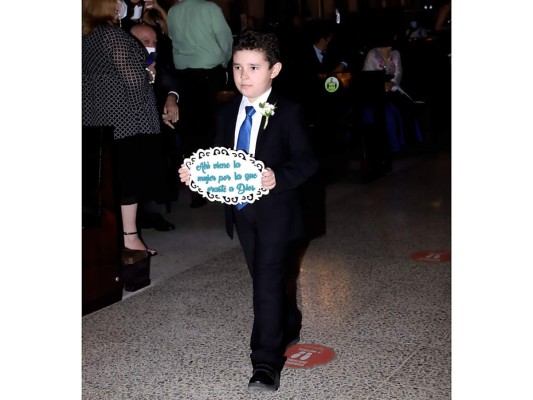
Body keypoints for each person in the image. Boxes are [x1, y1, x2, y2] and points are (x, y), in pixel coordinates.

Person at [179, 30, 318, 392]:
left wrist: (278, 177)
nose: (244, 76)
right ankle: (288, 320)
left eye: (254, 67)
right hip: (242, 212)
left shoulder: (288, 112)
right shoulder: (227, 113)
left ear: (274, 70)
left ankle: (266, 362)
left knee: (267, 282)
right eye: (238, 67)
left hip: (277, 211)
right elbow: (221, 160)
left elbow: (307, 161)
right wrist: (197, 173)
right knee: (264, 278)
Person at [83, 0, 163, 254]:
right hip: (125, 120)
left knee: (106, 184)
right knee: (128, 181)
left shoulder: (85, 37)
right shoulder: (112, 36)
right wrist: (149, 73)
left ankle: (117, 237)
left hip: (96, 119)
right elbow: (134, 80)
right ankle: (129, 237)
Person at [167, 0, 234, 208]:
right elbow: (225, 40)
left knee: (191, 132)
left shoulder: (173, 11)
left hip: (184, 75)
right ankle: (216, 181)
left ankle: (195, 185)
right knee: (213, 128)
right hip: (209, 72)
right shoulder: (210, 8)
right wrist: (224, 62)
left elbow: (172, 39)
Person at [130, 22, 180, 231]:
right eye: (146, 42)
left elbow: (171, 82)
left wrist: (171, 97)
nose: (151, 46)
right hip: (127, 128)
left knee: (158, 157)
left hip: (153, 126)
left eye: (154, 42)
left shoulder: (156, 62)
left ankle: (155, 213)